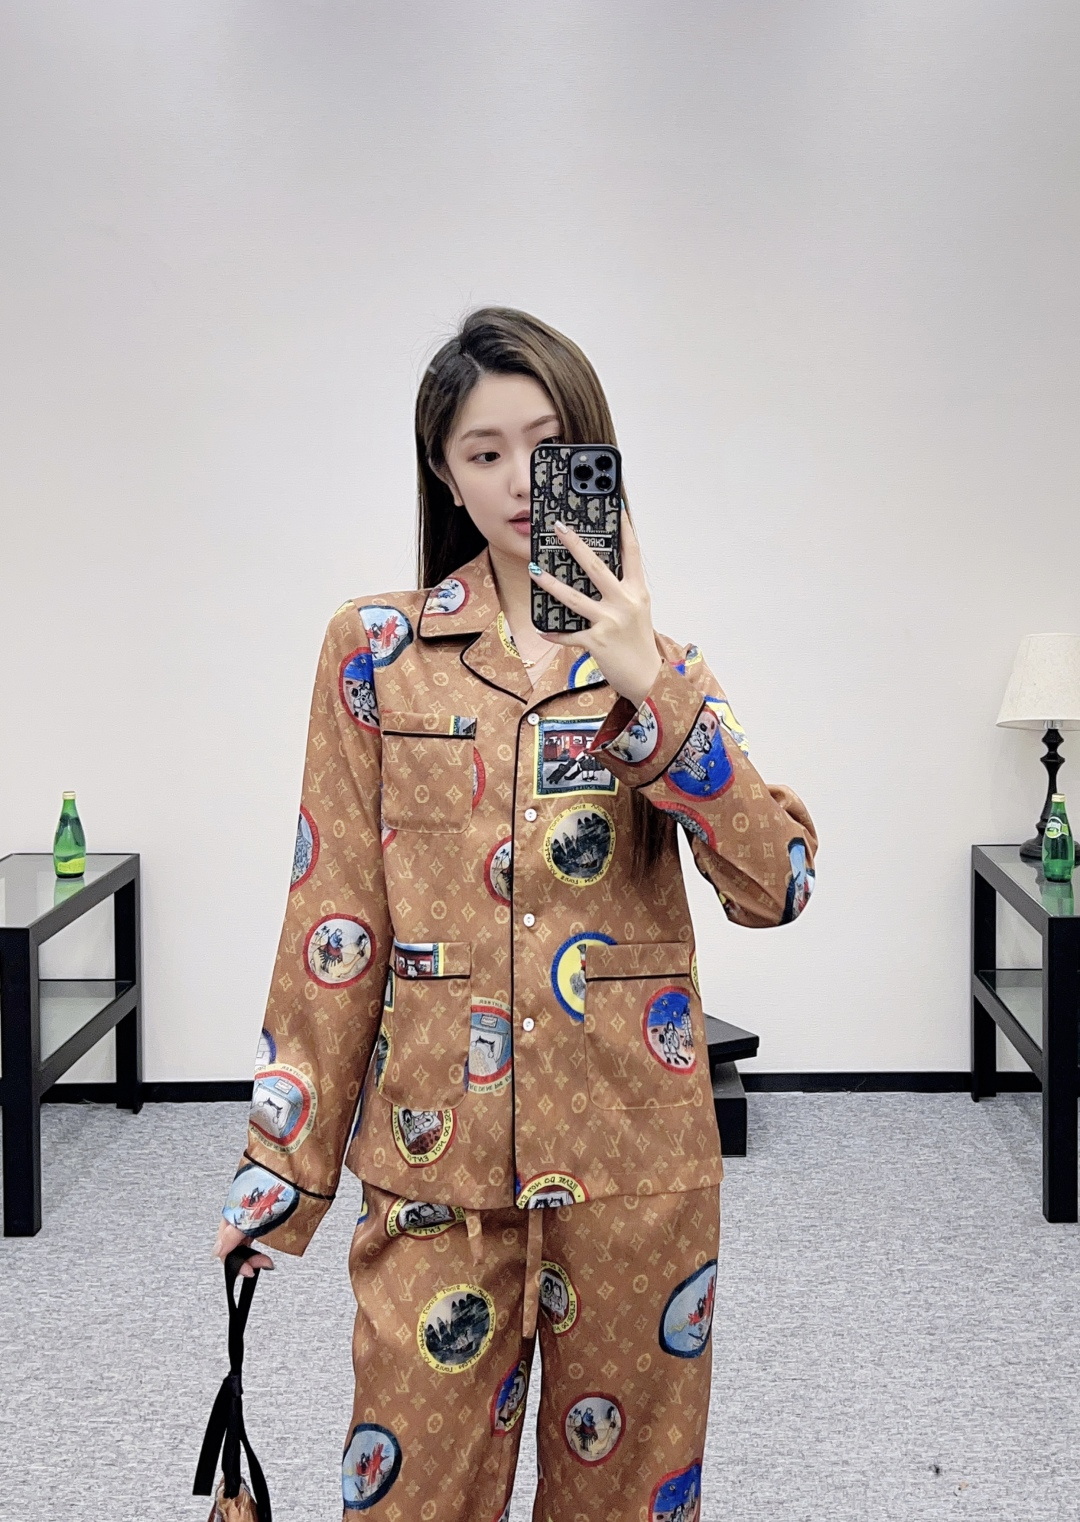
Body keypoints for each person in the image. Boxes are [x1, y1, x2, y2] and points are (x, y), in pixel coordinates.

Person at [213, 307, 817, 1520]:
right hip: (436, 1160)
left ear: (594, 455)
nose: (517, 481)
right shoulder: (374, 653)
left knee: (625, 1502)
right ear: (444, 472)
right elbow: (334, 920)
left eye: (546, 448)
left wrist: (654, 693)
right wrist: (282, 1169)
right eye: (483, 452)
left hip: (635, 1169)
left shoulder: (666, 670)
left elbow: (777, 884)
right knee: (411, 1494)